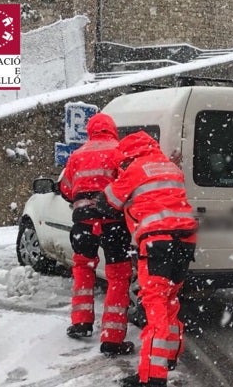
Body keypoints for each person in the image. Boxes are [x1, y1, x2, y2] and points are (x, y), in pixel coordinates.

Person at [96, 131, 198, 387]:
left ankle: (152, 376)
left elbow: (108, 202)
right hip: (186, 240)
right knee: (171, 298)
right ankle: (169, 357)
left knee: (155, 307)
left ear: (127, 155)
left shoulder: (135, 169)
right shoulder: (170, 168)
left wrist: (106, 188)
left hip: (157, 242)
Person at [58, 112, 135, 355]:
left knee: (83, 269)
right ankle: (112, 338)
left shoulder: (77, 155)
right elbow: (128, 185)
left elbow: (66, 188)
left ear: (90, 130)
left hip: (83, 223)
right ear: (112, 129)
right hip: (113, 222)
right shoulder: (119, 151)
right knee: (119, 276)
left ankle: (81, 322)